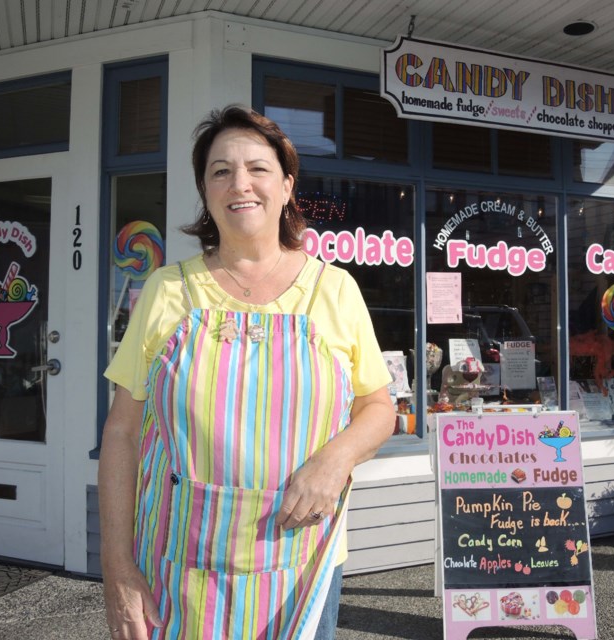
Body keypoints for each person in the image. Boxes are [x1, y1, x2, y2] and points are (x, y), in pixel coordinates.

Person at [98, 105, 395, 640]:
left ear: (285, 187)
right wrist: (118, 572)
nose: (241, 184)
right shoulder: (168, 291)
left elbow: (378, 408)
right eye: (220, 171)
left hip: (302, 563)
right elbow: (121, 433)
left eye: (258, 168)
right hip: (177, 565)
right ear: (206, 193)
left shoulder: (335, 290)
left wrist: (335, 460)